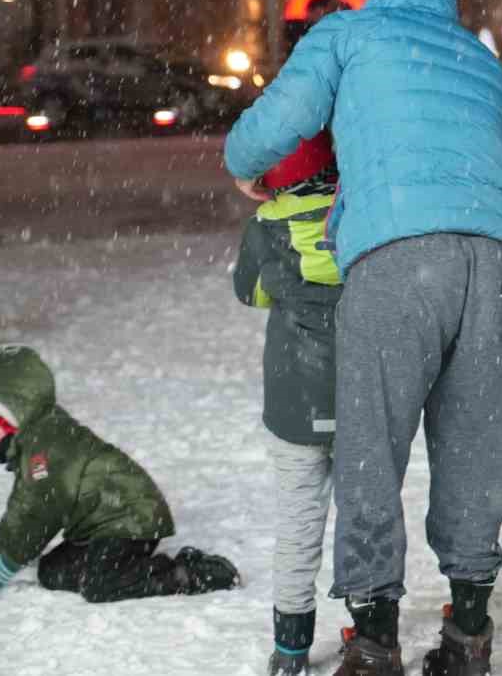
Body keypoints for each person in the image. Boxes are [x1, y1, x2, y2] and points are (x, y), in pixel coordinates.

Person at [224, 0, 502, 676]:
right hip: (491, 262)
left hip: (395, 259)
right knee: (476, 447)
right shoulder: (482, 62)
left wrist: (245, 166)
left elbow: (277, 122)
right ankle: (469, 634)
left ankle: (372, 641)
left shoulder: (351, 32)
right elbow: (492, 152)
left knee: (370, 450)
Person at [0, 344, 241, 602]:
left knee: (100, 585)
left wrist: (7, 561)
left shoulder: (45, 448)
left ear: (14, 412)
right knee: (51, 572)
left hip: (129, 518)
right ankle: (127, 567)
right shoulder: (35, 441)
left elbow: (39, 512)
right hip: (98, 526)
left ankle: (190, 573)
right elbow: (20, 508)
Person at [232, 132, 344, 675]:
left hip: (294, 398)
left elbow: (249, 292)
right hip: (360, 393)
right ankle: (370, 623)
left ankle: (292, 647)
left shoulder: (266, 227)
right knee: (365, 516)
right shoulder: (357, 214)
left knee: (298, 522)